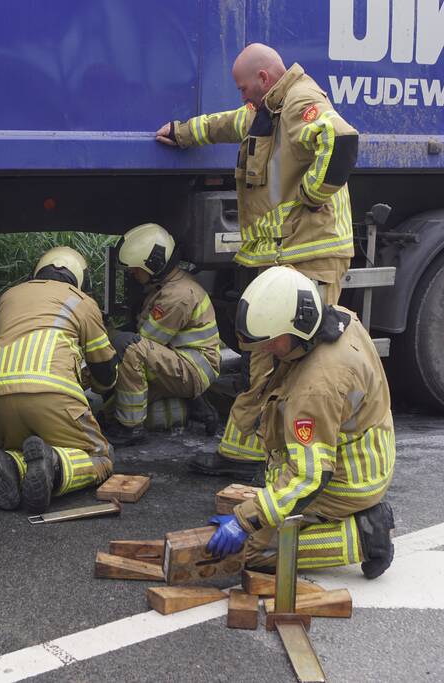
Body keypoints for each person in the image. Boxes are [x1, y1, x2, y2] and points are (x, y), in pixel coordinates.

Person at [155, 43, 359, 480]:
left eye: (243, 85)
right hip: (288, 259)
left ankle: (296, 458)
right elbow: (228, 124)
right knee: (267, 357)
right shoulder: (268, 109)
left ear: (264, 78)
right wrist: (183, 132)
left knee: (297, 359)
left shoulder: (301, 101)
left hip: (311, 256)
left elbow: (340, 140)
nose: (241, 94)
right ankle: (246, 449)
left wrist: (309, 197)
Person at [204, 267, 396, 579]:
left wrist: (244, 521)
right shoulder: (336, 318)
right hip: (368, 451)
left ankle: (364, 535)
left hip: (348, 479)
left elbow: (309, 477)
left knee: (254, 551)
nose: (265, 348)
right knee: (268, 512)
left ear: (299, 327)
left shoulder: (316, 386)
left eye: (271, 341)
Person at [0, 247, 118, 513]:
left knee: (26, 447)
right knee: (101, 456)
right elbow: (104, 368)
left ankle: (11, 463)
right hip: (53, 393)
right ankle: (55, 465)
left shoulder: (6, 298)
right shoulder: (81, 301)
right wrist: (102, 387)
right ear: (79, 278)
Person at [103, 223, 221, 444]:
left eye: (136, 269)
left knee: (129, 348)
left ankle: (131, 428)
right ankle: (196, 405)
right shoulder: (169, 284)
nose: (132, 273)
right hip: (183, 361)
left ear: (154, 264)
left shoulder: (177, 296)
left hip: (193, 369)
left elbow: (145, 341)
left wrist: (107, 333)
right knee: (109, 411)